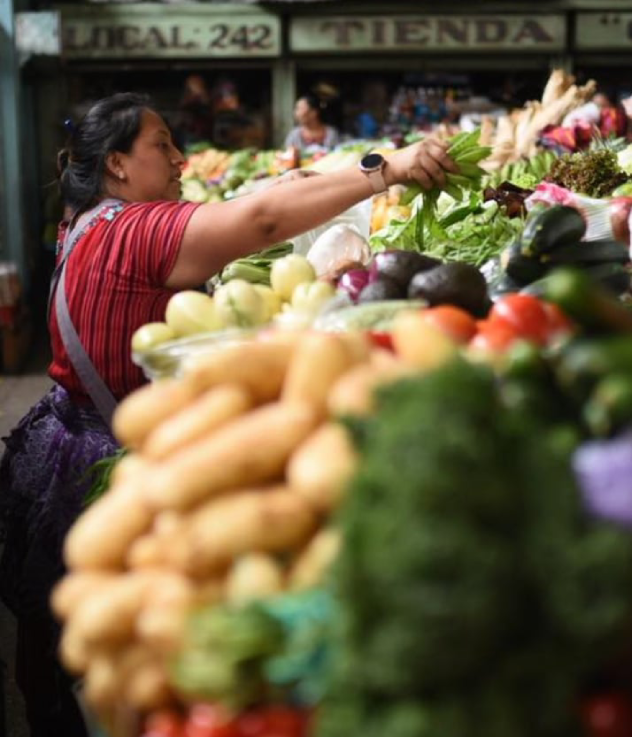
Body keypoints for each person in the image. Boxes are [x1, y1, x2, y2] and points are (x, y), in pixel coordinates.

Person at [0, 92, 455, 737]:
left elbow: (244, 209)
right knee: (116, 646)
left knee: (57, 636)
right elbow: (262, 220)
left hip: (61, 433)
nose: (180, 156)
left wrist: (294, 181)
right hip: (105, 457)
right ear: (120, 166)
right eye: (162, 144)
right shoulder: (135, 231)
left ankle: (48, 715)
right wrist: (389, 167)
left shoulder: (87, 222)